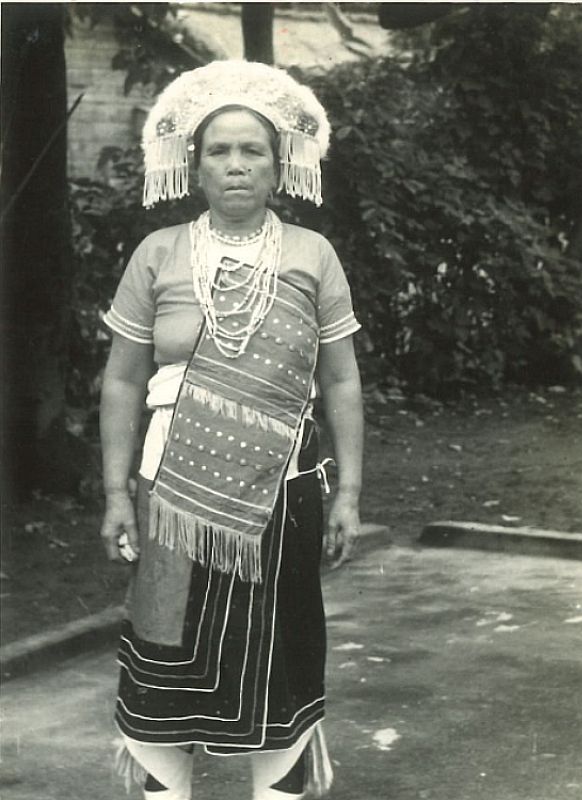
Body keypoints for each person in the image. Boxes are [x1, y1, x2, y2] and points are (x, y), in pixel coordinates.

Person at [100, 60, 363, 800]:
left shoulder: (313, 254)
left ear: (280, 166)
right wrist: (115, 494)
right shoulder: (158, 253)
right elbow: (122, 381)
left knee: (278, 667)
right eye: (219, 150)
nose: (237, 165)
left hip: (283, 496)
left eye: (254, 150)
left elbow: (341, 381)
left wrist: (349, 492)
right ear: (195, 166)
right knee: (167, 663)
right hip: (171, 499)